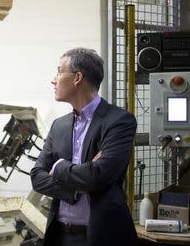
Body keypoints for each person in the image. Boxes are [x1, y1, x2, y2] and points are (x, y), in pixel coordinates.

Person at [30, 47, 137, 246]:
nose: (53, 80)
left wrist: (60, 167)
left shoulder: (119, 121)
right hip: (60, 236)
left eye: (59, 71)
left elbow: (98, 176)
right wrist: (77, 189)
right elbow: (37, 177)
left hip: (103, 237)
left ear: (77, 77)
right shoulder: (58, 125)